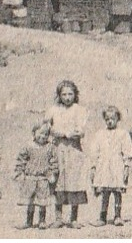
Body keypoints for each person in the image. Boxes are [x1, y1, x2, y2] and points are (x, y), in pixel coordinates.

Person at [43, 79, 89, 227]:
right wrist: (61, 133)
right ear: (59, 95)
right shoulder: (54, 110)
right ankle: (58, 218)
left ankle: (74, 218)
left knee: (74, 183)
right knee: (58, 183)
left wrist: (70, 134)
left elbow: (80, 131)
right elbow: (47, 127)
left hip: (74, 151)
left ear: (75, 94)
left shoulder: (80, 110)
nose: (67, 97)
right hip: (58, 150)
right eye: (64, 94)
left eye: (70, 94)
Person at [88, 105, 132, 226]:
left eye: (113, 118)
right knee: (105, 193)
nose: (110, 121)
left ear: (117, 119)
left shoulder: (123, 134)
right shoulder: (100, 134)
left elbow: (127, 150)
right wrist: (93, 166)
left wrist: (126, 166)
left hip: (117, 166)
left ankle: (118, 216)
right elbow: (95, 151)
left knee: (117, 192)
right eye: (107, 119)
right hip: (104, 167)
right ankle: (102, 217)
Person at [14, 122, 58, 229]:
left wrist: (52, 173)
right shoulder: (28, 147)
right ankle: (29, 221)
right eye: (40, 133)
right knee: (30, 201)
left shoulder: (50, 147)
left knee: (42, 201)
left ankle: (42, 221)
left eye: (46, 134)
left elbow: (54, 162)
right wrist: (20, 173)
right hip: (30, 178)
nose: (43, 136)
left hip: (43, 178)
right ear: (33, 133)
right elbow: (21, 160)